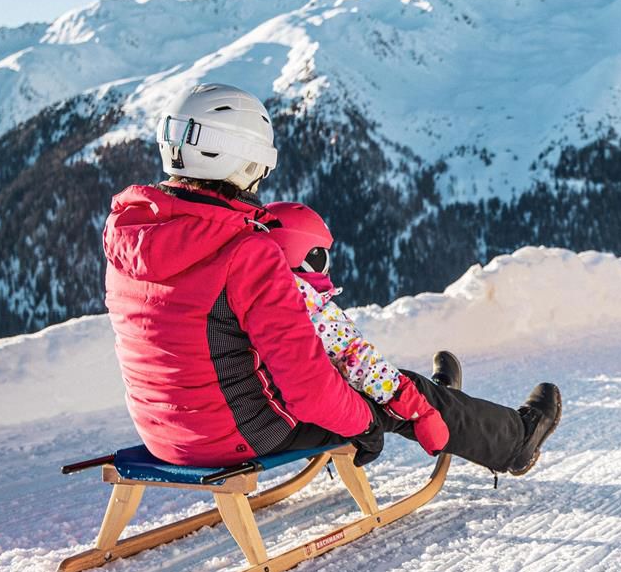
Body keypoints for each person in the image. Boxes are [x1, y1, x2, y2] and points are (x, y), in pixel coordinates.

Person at [101, 82, 561, 474]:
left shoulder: (131, 235)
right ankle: (515, 441)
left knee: (380, 388)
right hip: (244, 433)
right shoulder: (245, 251)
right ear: (244, 162)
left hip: (165, 432)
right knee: (389, 390)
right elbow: (307, 383)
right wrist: (364, 425)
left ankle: (442, 403)